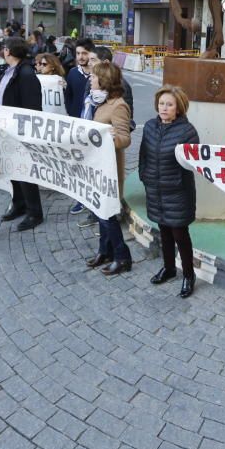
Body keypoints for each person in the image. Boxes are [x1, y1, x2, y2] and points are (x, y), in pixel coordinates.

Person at [140, 86, 200, 298]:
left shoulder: (187, 131)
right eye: (162, 103)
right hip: (155, 189)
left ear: (179, 108)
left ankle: (189, 275)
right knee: (163, 230)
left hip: (177, 191)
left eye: (169, 104)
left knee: (180, 234)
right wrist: (145, 177)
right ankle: (169, 268)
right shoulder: (149, 127)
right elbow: (143, 156)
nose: (164, 108)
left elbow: (193, 163)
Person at [84, 62, 133, 275]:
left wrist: (110, 138)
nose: (90, 80)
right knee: (100, 210)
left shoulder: (118, 105)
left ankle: (123, 257)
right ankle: (105, 251)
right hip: (99, 167)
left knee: (108, 215)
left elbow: (125, 139)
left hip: (110, 170)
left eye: (94, 77)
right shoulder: (103, 103)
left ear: (103, 80)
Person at [0, 37, 45, 231]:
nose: (2, 52)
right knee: (13, 170)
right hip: (5, 128)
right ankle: (19, 204)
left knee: (25, 171)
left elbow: (33, 107)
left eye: (3, 49)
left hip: (19, 130)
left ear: (8, 51)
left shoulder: (25, 73)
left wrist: (25, 133)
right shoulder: (9, 71)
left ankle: (35, 213)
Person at [66, 39, 97, 215]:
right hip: (77, 127)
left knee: (93, 165)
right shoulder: (71, 73)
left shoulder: (99, 75)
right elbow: (68, 96)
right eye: (78, 53)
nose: (80, 57)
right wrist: (72, 115)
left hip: (94, 129)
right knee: (78, 165)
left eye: (84, 53)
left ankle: (94, 199)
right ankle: (80, 199)